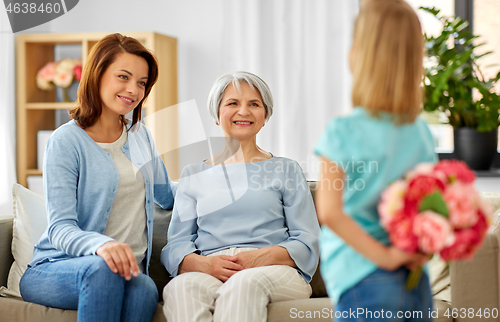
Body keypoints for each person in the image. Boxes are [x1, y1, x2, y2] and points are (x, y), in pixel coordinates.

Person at [19, 33, 176, 322]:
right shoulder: (66, 141)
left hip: (125, 274)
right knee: (103, 268)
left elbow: (168, 195)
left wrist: (214, 185)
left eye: (142, 82)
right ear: (98, 74)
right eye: (124, 77)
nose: (134, 89)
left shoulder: (141, 135)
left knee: (144, 286)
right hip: (57, 268)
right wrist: (101, 246)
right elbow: (61, 228)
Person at [161, 71, 320, 322]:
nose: (243, 112)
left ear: (265, 115)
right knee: (180, 289)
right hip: (210, 268)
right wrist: (206, 265)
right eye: (233, 103)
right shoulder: (193, 173)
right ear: (217, 114)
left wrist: (260, 257)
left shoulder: (286, 169)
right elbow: (176, 245)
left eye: (254, 104)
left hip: (274, 270)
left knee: (244, 284)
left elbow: (307, 239)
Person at [314, 1, 437, 321]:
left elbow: (329, 212)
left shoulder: (341, 131)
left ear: (359, 53)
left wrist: (384, 257)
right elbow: (429, 207)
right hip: (414, 281)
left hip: (362, 277)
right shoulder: (421, 133)